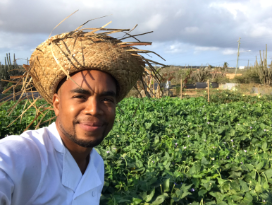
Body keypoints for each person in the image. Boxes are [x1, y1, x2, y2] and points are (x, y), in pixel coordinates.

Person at [0, 22, 163, 205]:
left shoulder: (96, 165)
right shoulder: (22, 155)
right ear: (57, 103)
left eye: (107, 99)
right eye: (80, 96)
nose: (94, 109)